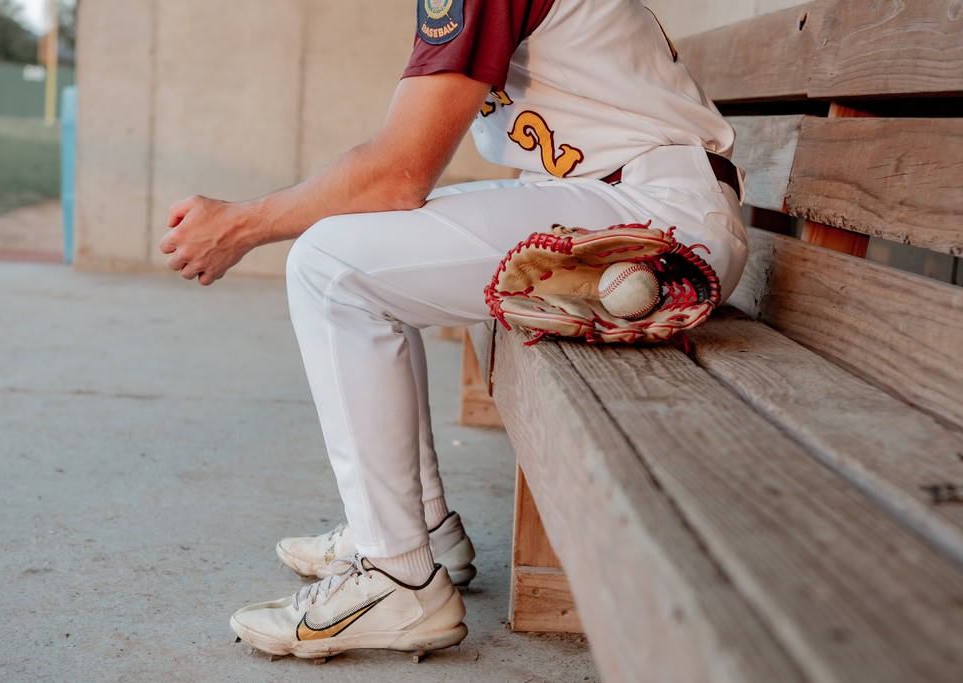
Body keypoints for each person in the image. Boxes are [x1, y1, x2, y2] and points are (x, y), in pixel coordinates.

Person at [159, 0, 748, 662]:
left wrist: (239, 224)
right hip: (622, 196)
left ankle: (398, 578)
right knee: (356, 252)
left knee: (332, 266)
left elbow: (398, 172)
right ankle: (421, 532)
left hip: (657, 218)